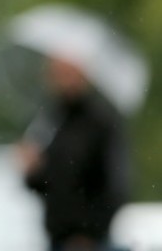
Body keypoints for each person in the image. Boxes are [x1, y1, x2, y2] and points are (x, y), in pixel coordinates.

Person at [16, 55, 130, 251]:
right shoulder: (52, 119)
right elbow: (45, 185)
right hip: (57, 238)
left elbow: (115, 183)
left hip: (90, 241)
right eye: (58, 73)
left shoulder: (101, 121)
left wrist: (88, 233)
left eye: (69, 72)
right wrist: (31, 169)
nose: (64, 79)